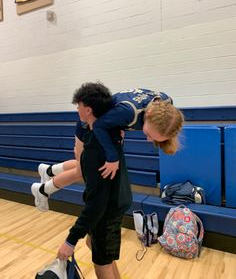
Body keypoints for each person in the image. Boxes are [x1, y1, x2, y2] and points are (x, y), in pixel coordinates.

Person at [32, 86, 184, 211]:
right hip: (88, 126)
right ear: (148, 114)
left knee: (83, 167)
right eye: (149, 134)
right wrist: (112, 157)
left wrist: (119, 124)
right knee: (82, 171)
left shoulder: (166, 105)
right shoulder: (129, 112)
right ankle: (42, 190)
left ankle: (48, 171)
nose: (148, 139)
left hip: (106, 127)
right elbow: (98, 125)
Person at [55, 83, 132, 279]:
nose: (77, 110)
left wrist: (70, 241)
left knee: (102, 264)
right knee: (95, 245)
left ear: (87, 110)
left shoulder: (94, 151)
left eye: (78, 106)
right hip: (118, 200)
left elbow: (96, 204)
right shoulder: (111, 134)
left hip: (107, 209)